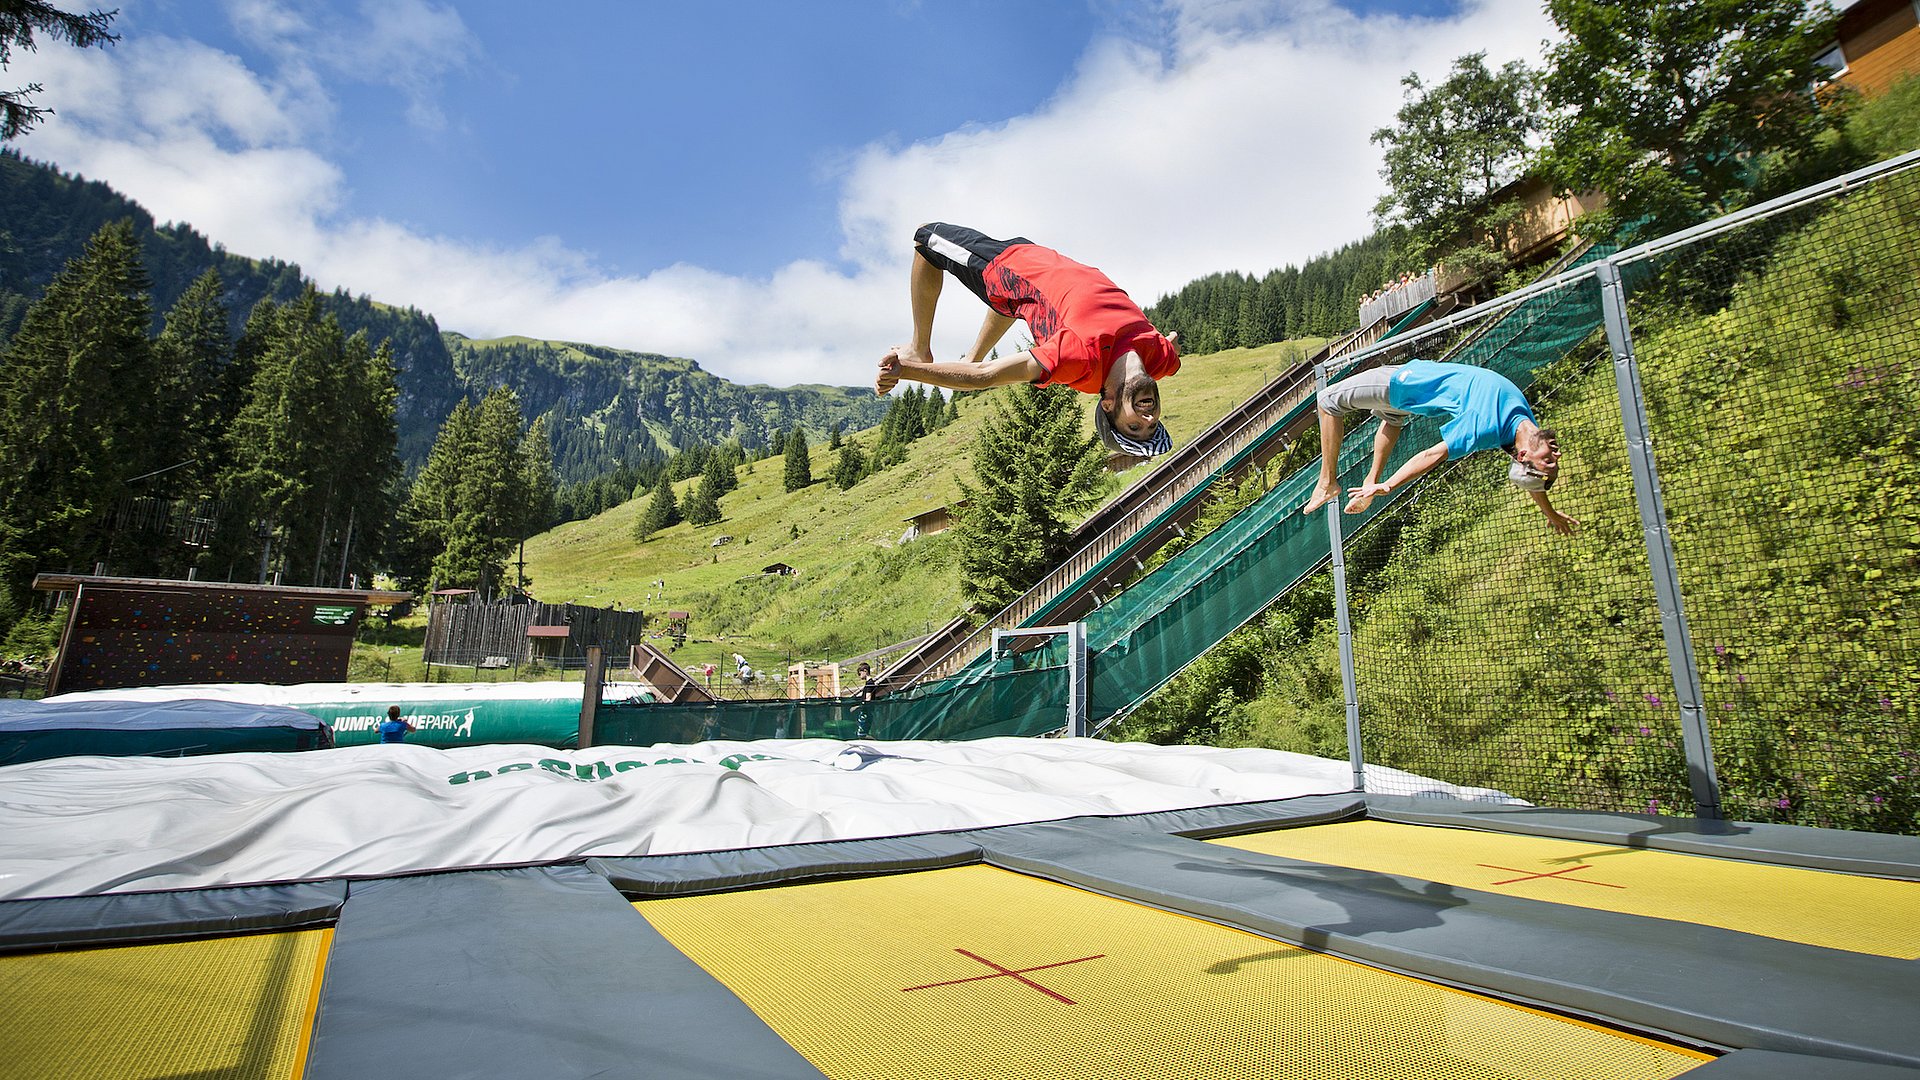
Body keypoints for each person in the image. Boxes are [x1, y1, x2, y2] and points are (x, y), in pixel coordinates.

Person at [875, 222, 1181, 458]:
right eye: (1152, 425)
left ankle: (919, 348)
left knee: (926, 239)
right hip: (1040, 260)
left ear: (1108, 404)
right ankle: (973, 353)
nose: (1148, 417)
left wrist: (907, 370)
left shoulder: (1078, 360)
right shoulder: (1160, 359)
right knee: (1024, 304)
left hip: (1008, 268)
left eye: (1134, 427)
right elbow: (1173, 349)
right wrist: (1172, 345)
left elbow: (985, 377)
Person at [1303, 358, 1578, 535]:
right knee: (1391, 421)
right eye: (1554, 460)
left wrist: (1390, 485)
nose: (1557, 454)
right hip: (1413, 393)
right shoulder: (1528, 425)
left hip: (1404, 384)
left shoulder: (1485, 426)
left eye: (1549, 462)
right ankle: (1369, 485)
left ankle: (1328, 482)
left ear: (1522, 456)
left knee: (1327, 401)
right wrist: (1549, 512)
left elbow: (1432, 455)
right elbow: (1533, 482)